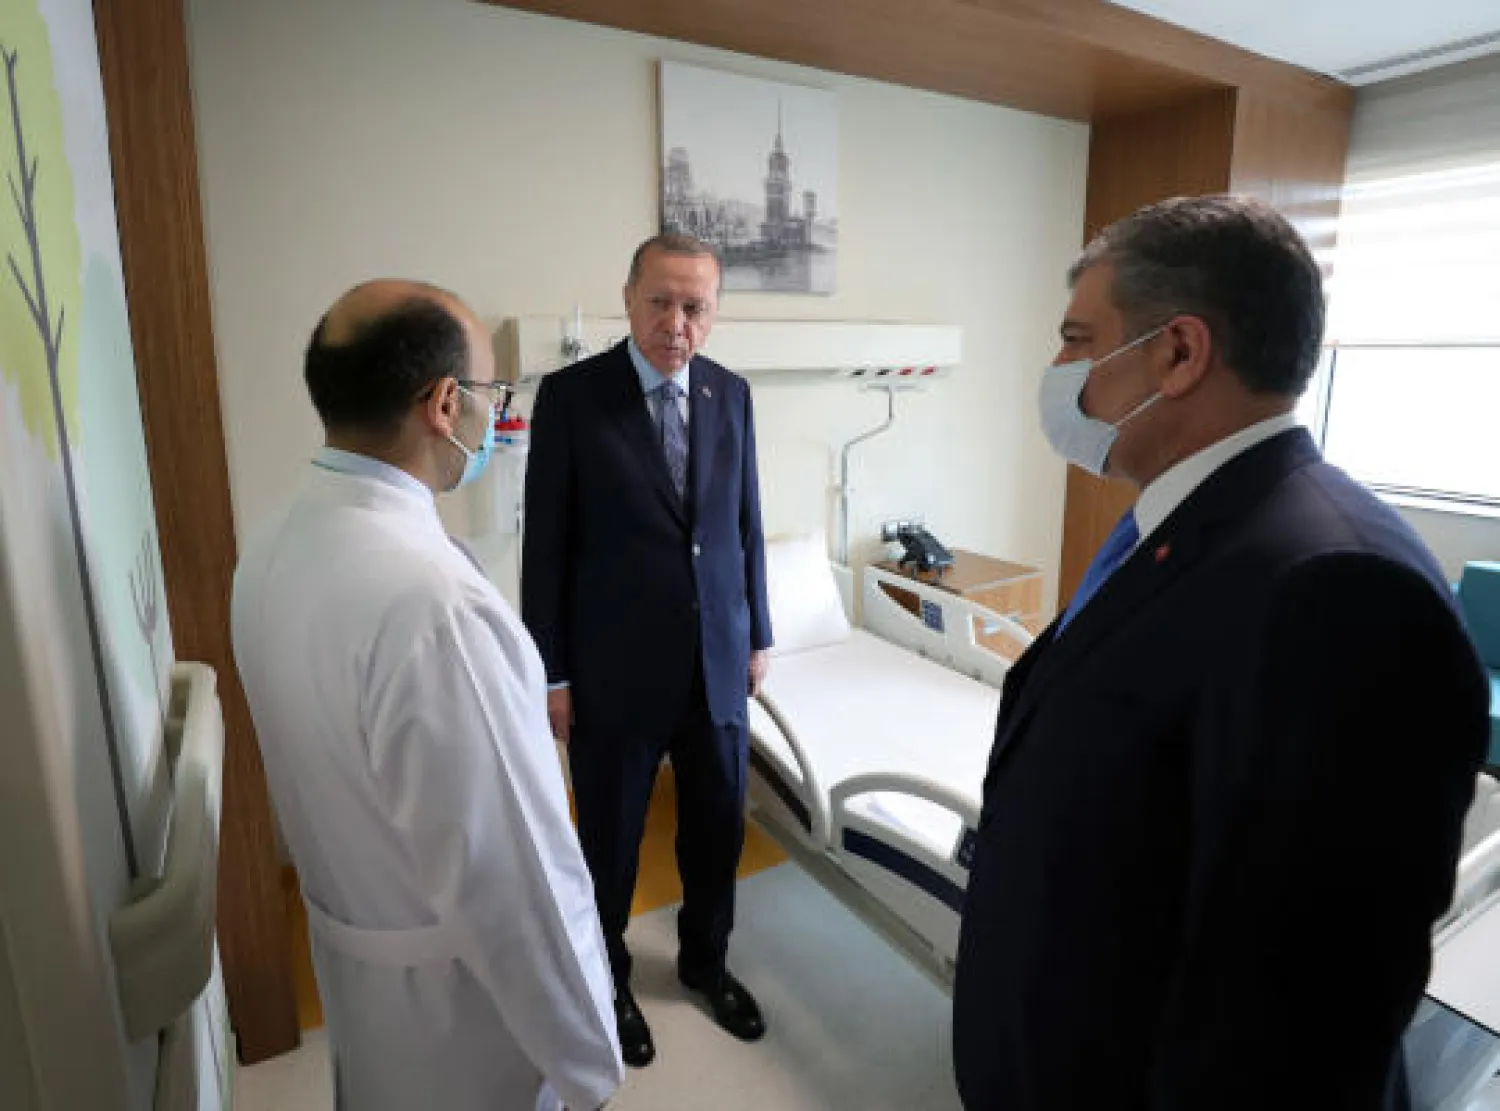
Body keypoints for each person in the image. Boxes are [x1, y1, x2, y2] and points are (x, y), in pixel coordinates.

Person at [952, 196, 1490, 1110]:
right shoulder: (1184, 523)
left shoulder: (1335, 586)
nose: (1058, 370)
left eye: (1078, 339)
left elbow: (1301, 1015)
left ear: (1178, 353)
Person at [232, 281, 622, 1111]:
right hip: (462, 1019)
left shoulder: (269, 547)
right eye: (489, 395)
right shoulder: (434, 608)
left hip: (361, 965)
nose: (493, 417)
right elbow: (519, 879)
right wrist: (591, 1060)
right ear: (446, 403)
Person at [522, 233, 773, 1068]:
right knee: (611, 842)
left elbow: (745, 527)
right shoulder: (571, 397)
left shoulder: (730, 394)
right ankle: (611, 978)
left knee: (715, 832)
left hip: (717, 665)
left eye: (695, 306)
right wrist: (551, 671)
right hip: (613, 671)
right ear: (628, 299)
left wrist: (759, 632)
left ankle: (706, 962)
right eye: (661, 301)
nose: (677, 323)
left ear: (713, 313)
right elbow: (546, 550)